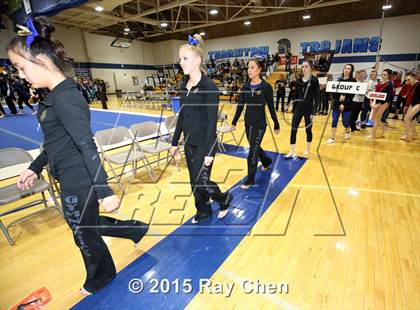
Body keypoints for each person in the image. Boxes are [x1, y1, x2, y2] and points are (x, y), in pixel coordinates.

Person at [8, 16, 148, 296]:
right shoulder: (52, 97)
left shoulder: (65, 97)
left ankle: (101, 276)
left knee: (82, 231)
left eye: (22, 68)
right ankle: (134, 229)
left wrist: (104, 189)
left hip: (78, 178)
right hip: (69, 174)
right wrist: (35, 168)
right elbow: (53, 142)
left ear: (42, 62)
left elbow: (87, 145)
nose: (21, 76)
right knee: (89, 223)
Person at [170, 34, 233, 223]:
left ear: (198, 60)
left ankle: (224, 198)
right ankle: (203, 210)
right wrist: (174, 142)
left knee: (202, 181)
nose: (181, 62)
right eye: (180, 59)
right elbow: (181, 115)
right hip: (189, 142)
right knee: (194, 182)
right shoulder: (184, 85)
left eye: (185, 58)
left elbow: (212, 123)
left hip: (205, 143)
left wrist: (208, 152)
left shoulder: (209, 87)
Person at [231, 58, 280, 190]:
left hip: (260, 124)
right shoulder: (245, 87)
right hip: (248, 124)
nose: (249, 70)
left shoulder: (266, 87)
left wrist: (276, 123)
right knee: (255, 146)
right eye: (248, 68)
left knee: (252, 150)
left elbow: (271, 107)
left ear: (259, 70)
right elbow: (241, 105)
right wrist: (234, 121)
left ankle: (250, 179)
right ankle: (266, 160)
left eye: (252, 67)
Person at [285, 61, 320, 158]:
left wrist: (314, 111)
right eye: (303, 67)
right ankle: (292, 151)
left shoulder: (314, 80)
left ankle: (308, 149)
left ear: (310, 68)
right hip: (298, 109)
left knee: (308, 130)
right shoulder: (299, 80)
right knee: (293, 129)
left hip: (308, 110)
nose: (304, 68)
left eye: (306, 66)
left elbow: (317, 97)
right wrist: (292, 105)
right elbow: (296, 94)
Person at [326, 64, 355, 144]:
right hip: (337, 104)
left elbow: (352, 95)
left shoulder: (353, 81)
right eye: (345, 68)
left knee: (345, 122)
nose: (346, 70)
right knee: (334, 120)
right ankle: (332, 138)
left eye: (349, 68)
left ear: (351, 71)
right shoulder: (339, 80)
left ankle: (348, 129)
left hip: (348, 105)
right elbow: (334, 93)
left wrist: (344, 103)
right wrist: (338, 98)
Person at [367, 69, 394, 139]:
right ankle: (384, 128)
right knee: (373, 118)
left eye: (385, 75)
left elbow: (388, 97)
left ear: (389, 76)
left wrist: (378, 105)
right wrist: (371, 101)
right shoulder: (379, 83)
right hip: (377, 101)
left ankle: (373, 135)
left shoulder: (389, 84)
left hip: (384, 103)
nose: (383, 76)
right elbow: (375, 94)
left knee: (376, 117)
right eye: (382, 74)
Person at [400, 72, 419, 141]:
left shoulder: (418, 85)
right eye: (406, 80)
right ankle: (414, 134)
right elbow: (410, 96)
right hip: (412, 103)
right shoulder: (411, 85)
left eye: (409, 79)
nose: (407, 81)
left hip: (418, 104)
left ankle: (407, 135)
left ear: (414, 78)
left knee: (406, 118)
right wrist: (406, 105)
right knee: (409, 119)